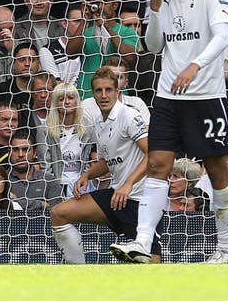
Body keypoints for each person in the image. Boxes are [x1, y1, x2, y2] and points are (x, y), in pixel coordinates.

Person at [109, 0, 228, 264]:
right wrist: (153, 7)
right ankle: (142, 242)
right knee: (157, 165)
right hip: (168, 97)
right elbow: (153, 46)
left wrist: (195, 66)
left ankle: (224, 248)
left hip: (205, 96)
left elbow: (222, 36)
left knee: (217, 171)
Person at [50, 67, 152, 264]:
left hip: (139, 201)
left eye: (108, 90)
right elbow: (107, 161)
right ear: (93, 94)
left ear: (117, 91)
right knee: (59, 213)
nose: (104, 95)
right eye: (98, 90)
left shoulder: (129, 116)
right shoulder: (98, 122)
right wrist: (87, 175)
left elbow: (153, 155)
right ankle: (79, 276)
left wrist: (128, 184)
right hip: (116, 196)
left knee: (152, 273)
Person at [45, 82, 92, 198]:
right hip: (56, 186)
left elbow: (89, 159)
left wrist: (83, 182)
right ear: (55, 103)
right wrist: (54, 188)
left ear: (77, 101)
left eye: (70, 98)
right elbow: (45, 164)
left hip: (82, 185)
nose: (66, 102)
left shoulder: (87, 127)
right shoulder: (46, 129)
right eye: (61, 99)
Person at [8, 130, 61, 210]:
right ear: (9, 153)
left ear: (35, 153)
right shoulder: (2, 181)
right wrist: (41, 204)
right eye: (15, 150)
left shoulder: (49, 181)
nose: (20, 155)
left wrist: (16, 202)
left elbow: (58, 212)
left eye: (26, 149)